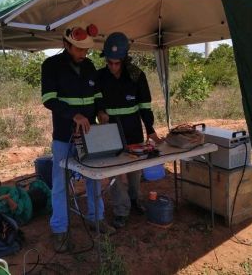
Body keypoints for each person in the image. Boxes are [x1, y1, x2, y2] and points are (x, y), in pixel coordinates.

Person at [41, 21, 115, 253]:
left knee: (94, 177)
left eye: (86, 50)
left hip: (88, 136)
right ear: (66, 44)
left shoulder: (90, 65)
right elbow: (49, 99)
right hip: (64, 136)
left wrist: (101, 111)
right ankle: (60, 230)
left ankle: (96, 218)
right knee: (61, 184)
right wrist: (75, 116)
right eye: (79, 50)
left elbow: (98, 94)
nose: (84, 54)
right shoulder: (51, 65)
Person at [97, 32, 163, 229]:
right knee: (116, 172)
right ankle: (121, 210)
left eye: (117, 63)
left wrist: (150, 130)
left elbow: (145, 106)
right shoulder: (99, 77)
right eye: (110, 63)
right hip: (110, 133)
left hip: (134, 131)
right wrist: (100, 111)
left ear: (125, 59)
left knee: (135, 170)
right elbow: (95, 100)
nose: (113, 67)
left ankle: (135, 200)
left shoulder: (136, 75)